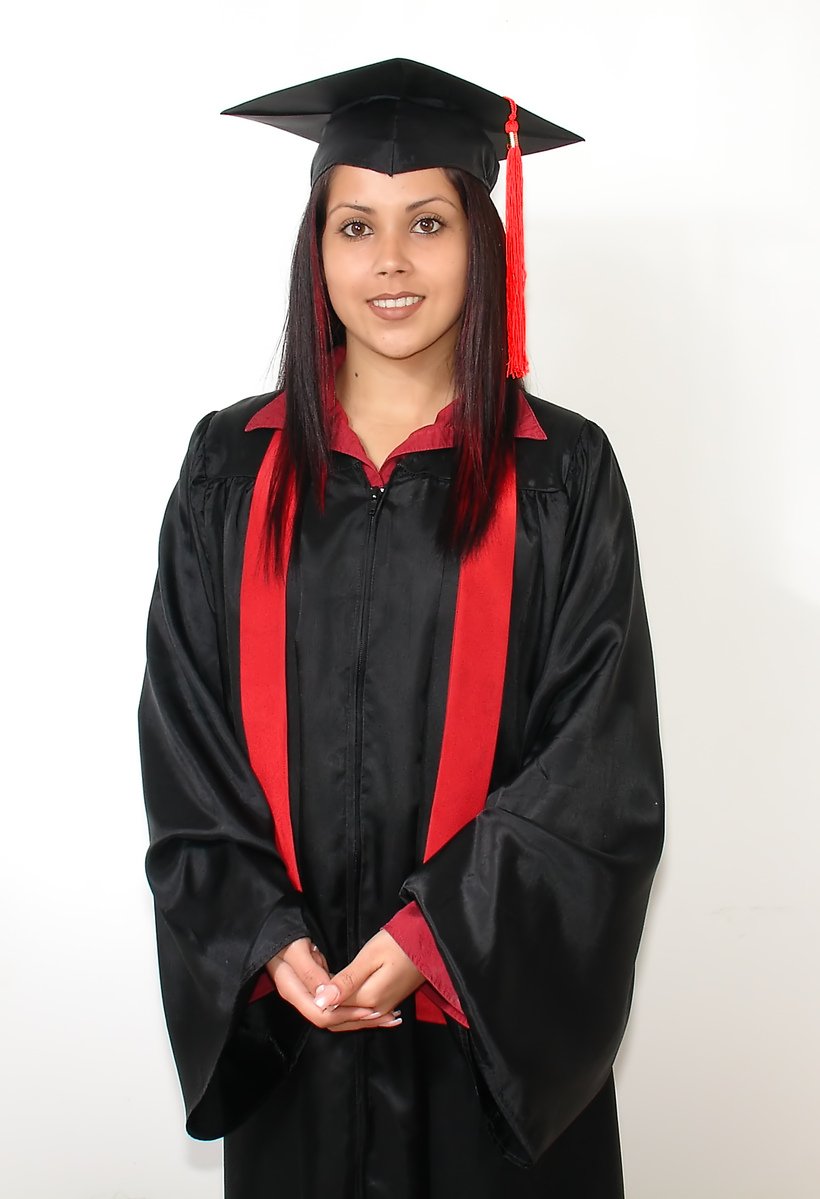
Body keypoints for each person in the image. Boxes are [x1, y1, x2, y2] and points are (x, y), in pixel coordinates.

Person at [138, 57, 665, 1199]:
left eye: (426, 221)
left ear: (483, 237)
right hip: (301, 1011)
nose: (388, 261)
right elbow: (184, 737)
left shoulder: (563, 473)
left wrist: (432, 940)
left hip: (489, 1032)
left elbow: (597, 766)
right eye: (354, 225)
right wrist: (263, 936)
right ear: (313, 251)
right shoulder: (233, 468)